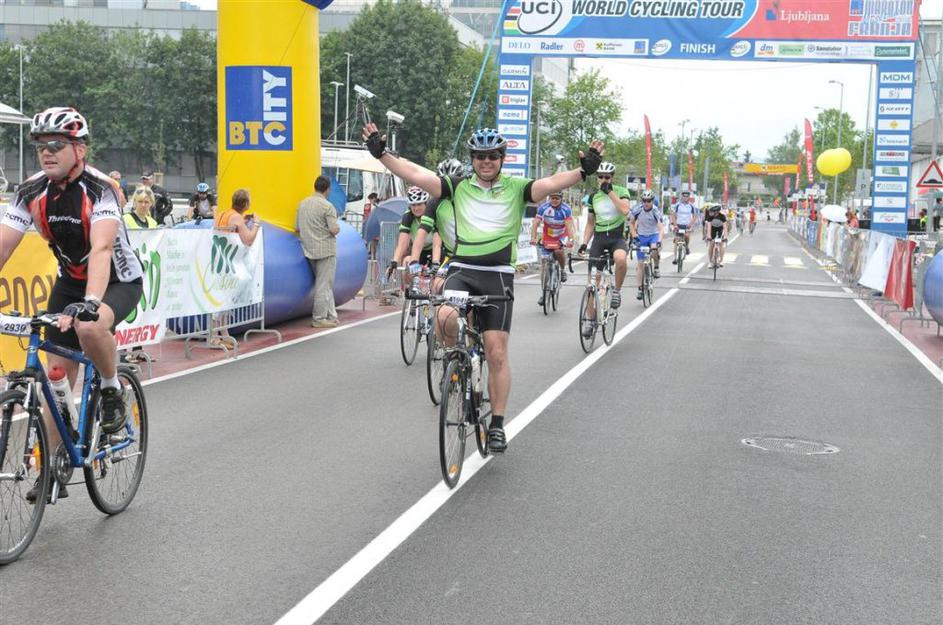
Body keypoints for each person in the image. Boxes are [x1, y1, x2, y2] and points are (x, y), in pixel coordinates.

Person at [363, 122, 604, 453]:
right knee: (444, 317)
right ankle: (457, 360)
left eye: (492, 156)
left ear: (502, 158)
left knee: (497, 352)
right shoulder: (457, 186)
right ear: (472, 159)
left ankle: (497, 425)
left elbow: (551, 183)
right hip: (463, 269)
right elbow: (416, 174)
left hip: (498, 274)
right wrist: (382, 155)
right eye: (480, 156)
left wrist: (583, 170)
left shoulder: (516, 188)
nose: (486, 161)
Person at [0, 107, 144, 502]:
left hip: (116, 281)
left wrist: (92, 302)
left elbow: (101, 249)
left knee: (89, 326)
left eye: (56, 145)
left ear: (79, 149)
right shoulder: (30, 191)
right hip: (69, 283)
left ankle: (112, 391)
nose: (46, 153)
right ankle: (52, 468)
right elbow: (4, 246)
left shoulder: (101, 189)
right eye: (40, 147)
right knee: (56, 374)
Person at [579, 161, 630, 314]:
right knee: (592, 283)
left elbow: (625, 210)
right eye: (600, 177)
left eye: (607, 177)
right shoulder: (593, 197)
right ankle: (590, 319)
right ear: (597, 178)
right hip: (599, 239)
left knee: (620, 259)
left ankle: (617, 291)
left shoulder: (621, 191)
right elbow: (590, 223)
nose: (603, 180)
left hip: (617, 237)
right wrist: (584, 243)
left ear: (612, 177)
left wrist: (610, 192)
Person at [297, 176, 341, 328]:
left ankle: (331, 315)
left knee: (324, 284)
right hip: (326, 250)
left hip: (308, 248)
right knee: (324, 286)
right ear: (327, 189)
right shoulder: (328, 206)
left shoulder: (302, 204)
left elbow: (297, 227)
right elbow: (333, 229)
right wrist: (338, 227)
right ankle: (319, 317)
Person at [530, 191, 575, 306]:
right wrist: (533, 238)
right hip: (548, 236)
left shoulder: (566, 209)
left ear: (561, 199)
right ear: (549, 198)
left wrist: (570, 240)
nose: (554, 200)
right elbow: (535, 223)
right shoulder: (543, 208)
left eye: (557, 198)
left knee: (558, 251)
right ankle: (543, 292)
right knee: (544, 264)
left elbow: (569, 226)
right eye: (552, 198)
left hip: (561, 235)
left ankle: (562, 270)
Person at [389, 186, 441, 276]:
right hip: (419, 251)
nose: (416, 208)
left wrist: (435, 262)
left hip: (436, 251)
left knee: (434, 277)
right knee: (407, 263)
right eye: (413, 205)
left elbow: (437, 244)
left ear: (426, 203)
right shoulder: (408, 216)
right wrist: (395, 261)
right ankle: (410, 285)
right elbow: (402, 244)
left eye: (419, 204)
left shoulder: (433, 214)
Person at [629, 189, 663, 300]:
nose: (646, 203)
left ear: (652, 201)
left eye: (649, 201)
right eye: (644, 200)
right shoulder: (637, 210)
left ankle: (656, 267)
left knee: (654, 249)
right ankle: (640, 289)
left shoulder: (655, 211)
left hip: (653, 235)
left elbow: (661, 228)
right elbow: (631, 223)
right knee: (640, 264)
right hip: (642, 236)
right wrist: (634, 236)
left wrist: (659, 241)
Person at [670, 190, 697, 264]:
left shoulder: (691, 206)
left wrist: (691, 223)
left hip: (687, 225)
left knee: (687, 236)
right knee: (677, 240)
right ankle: (675, 258)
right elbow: (673, 215)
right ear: (682, 197)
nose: (685, 198)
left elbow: (695, 216)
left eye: (687, 196)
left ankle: (687, 247)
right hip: (678, 225)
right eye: (684, 196)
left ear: (689, 197)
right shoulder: (677, 205)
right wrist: (675, 225)